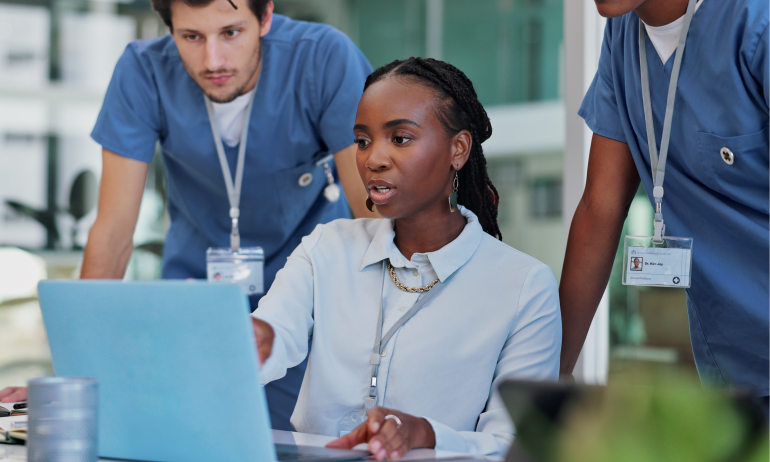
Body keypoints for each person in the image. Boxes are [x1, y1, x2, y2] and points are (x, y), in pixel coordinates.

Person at [0, 0, 376, 430]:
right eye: (191, 37)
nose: (212, 60)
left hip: (307, 317)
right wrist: (74, 376)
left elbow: (373, 216)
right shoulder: (143, 72)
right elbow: (113, 233)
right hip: (193, 317)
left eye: (231, 33)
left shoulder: (323, 58)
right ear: (170, 28)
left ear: (265, 17)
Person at [249, 57, 561, 459]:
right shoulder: (326, 247)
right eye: (362, 141)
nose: (373, 159)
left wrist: (426, 433)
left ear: (459, 149)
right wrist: (244, 341)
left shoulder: (523, 285)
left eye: (400, 139)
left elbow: (514, 444)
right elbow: (271, 336)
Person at [560, 0, 770, 411]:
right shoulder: (623, 38)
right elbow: (599, 208)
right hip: (736, 371)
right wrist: (553, 369)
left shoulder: (754, 20)